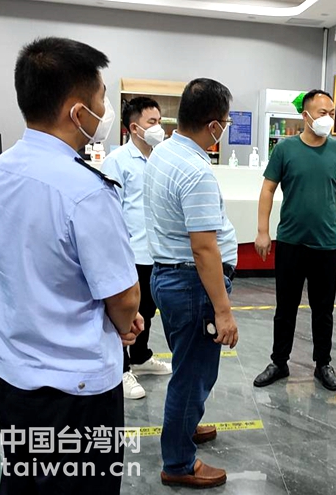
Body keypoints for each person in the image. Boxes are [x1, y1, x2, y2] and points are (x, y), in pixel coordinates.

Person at [0, 37, 143, 494]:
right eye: (102, 99)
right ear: (78, 112)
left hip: (12, 374)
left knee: (25, 480)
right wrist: (126, 321)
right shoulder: (87, 190)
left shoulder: (3, 169)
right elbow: (124, 296)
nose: (105, 111)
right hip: (75, 391)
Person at [144, 78, 239, 489]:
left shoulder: (164, 152)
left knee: (188, 366)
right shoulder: (196, 170)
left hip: (168, 276)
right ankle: (179, 462)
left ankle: (184, 425)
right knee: (192, 376)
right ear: (213, 125)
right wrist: (223, 311)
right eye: (226, 123)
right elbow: (203, 248)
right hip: (191, 284)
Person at [253, 89, 336, 392]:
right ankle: (279, 362)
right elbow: (268, 189)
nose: (328, 119)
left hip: (326, 243)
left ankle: (323, 363)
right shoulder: (285, 149)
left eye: (331, 113)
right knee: (285, 307)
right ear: (306, 115)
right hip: (291, 241)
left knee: (324, 310)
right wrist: (262, 230)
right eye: (322, 113)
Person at [102, 96, 172, 400]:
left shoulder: (162, 158)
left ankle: (141, 358)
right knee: (125, 314)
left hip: (156, 251)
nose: (159, 128)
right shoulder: (117, 161)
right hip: (129, 252)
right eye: (152, 122)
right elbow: (109, 211)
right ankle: (121, 369)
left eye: (160, 121)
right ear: (134, 128)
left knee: (147, 311)